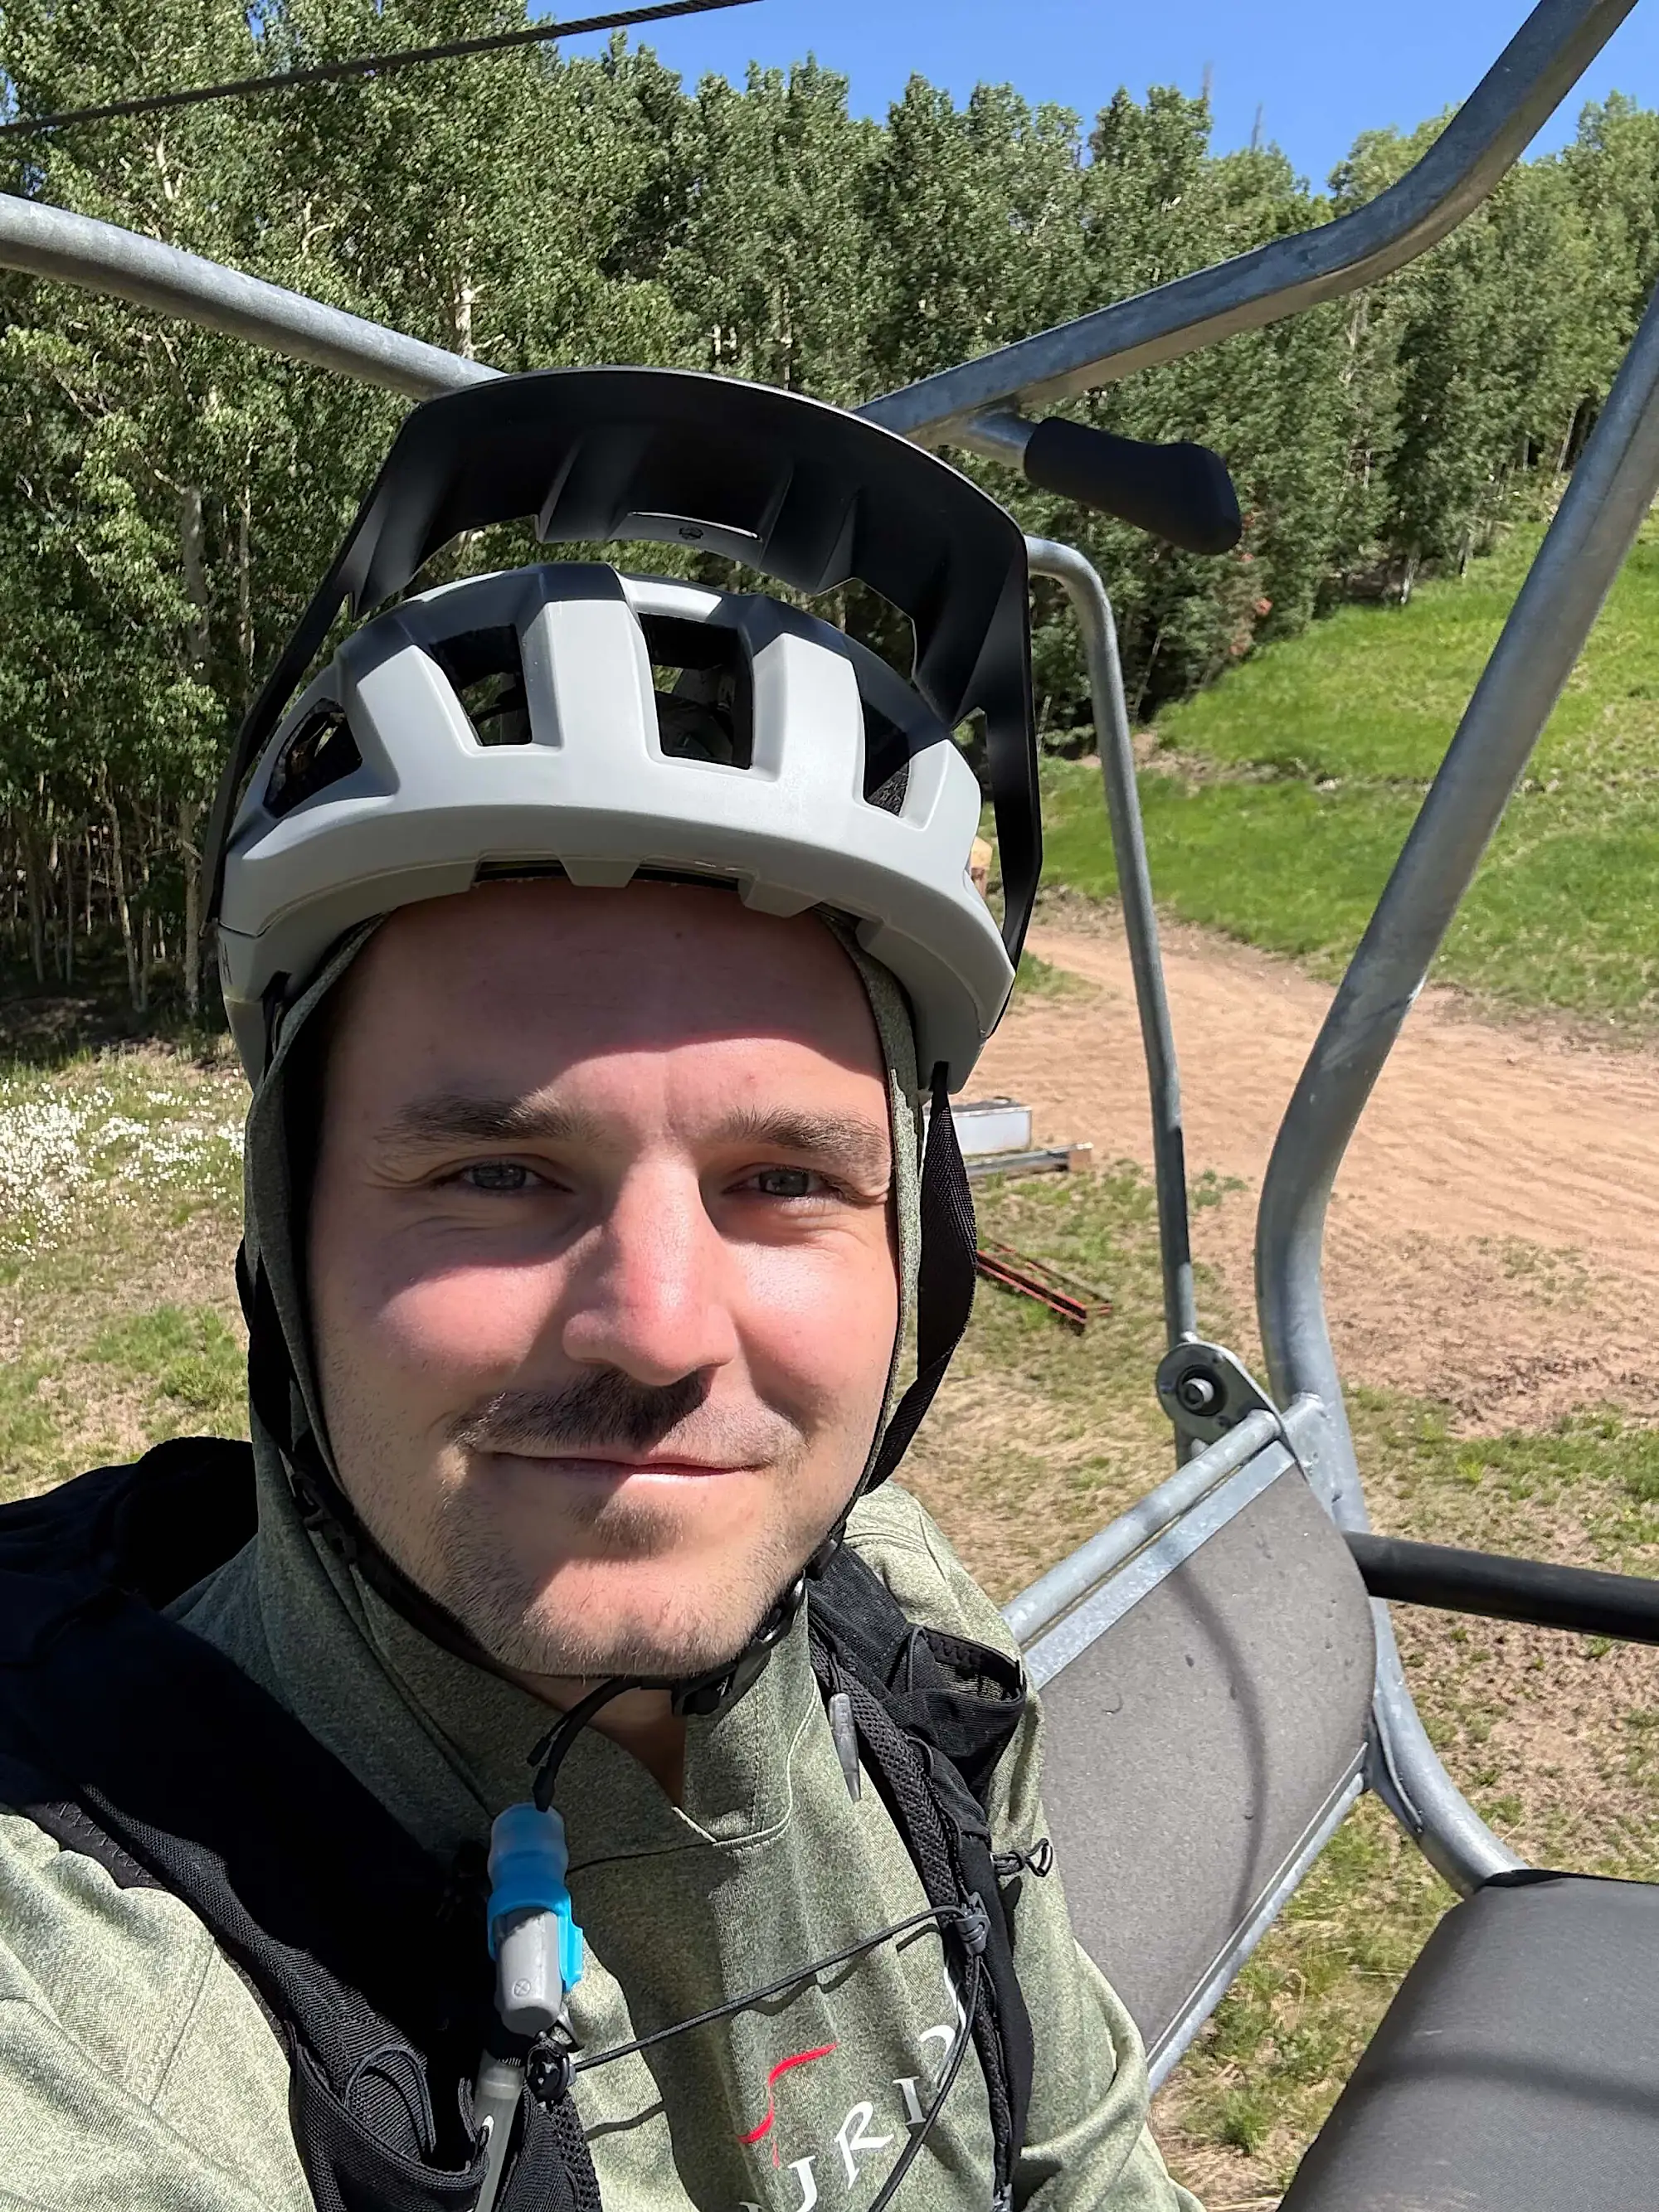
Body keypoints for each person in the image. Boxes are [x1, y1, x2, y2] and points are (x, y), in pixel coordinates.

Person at [0, 370, 1200, 2212]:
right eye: (495, 1173)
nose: (652, 1326)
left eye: (783, 1180)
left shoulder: (909, 1651)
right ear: (282, 1243)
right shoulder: (86, 1981)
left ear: (920, 1256)